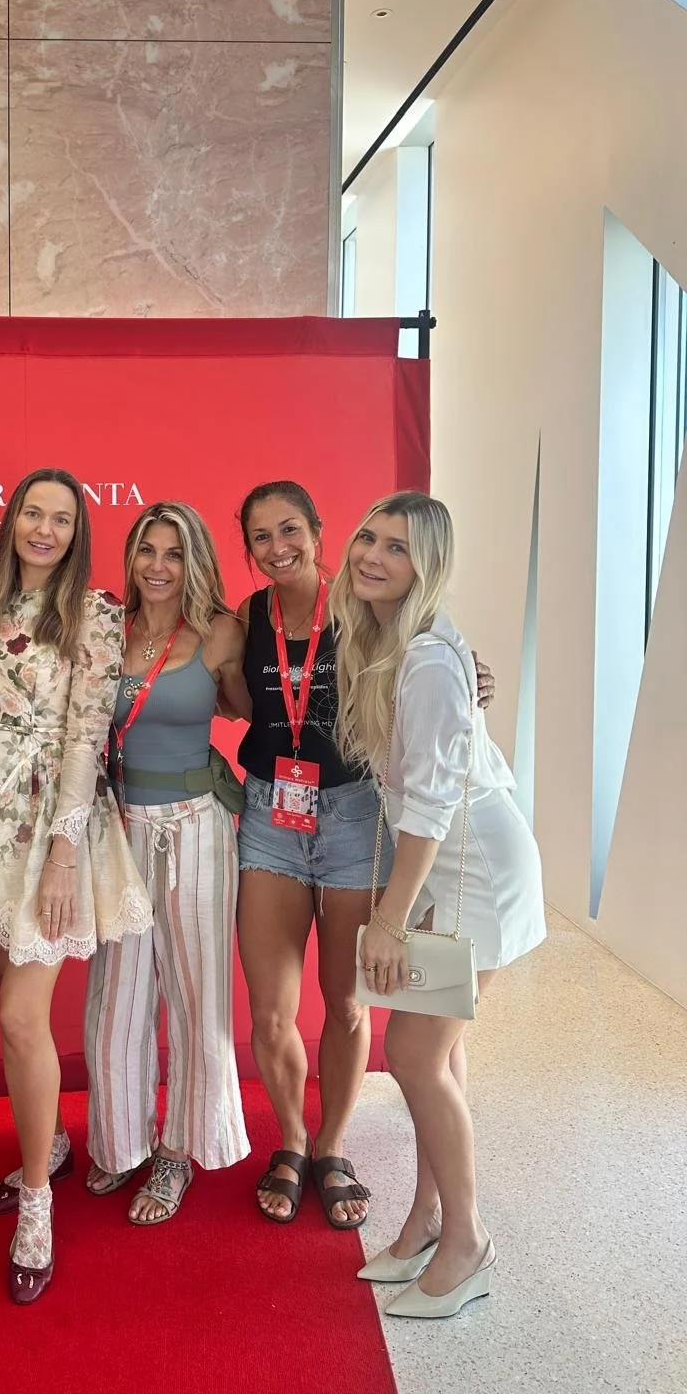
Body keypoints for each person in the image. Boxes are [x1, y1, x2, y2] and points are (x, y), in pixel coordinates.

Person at [233, 481, 494, 1231]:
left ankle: (332, 1145)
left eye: (291, 529)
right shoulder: (245, 618)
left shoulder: (359, 609)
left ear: (320, 532)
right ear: (247, 548)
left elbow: (428, 663)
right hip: (271, 817)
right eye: (260, 536)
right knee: (272, 1011)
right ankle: (291, 1139)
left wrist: (472, 675)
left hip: (354, 817)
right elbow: (216, 686)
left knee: (346, 1003)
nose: (278, 547)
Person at [331, 491, 544, 1318]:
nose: (374, 556)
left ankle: (468, 1241)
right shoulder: (397, 641)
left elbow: (427, 804)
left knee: (415, 1054)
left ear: (428, 566)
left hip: (470, 866)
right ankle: (427, 1217)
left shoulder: (423, 657)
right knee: (440, 1053)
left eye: (399, 548)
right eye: (369, 538)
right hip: (446, 863)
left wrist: (390, 920)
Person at [0, 467, 152, 1304]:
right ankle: (54, 1146)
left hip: (51, 825)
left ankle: (37, 1202)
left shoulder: (94, 613)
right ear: (12, 520)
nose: (44, 529)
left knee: (20, 1018)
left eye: (61, 519)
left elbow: (86, 736)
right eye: (33, 512)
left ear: (77, 533)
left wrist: (65, 853)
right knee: (9, 998)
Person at [82, 502, 251, 1224]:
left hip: (196, 829)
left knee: (195, 995)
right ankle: (120, 1141)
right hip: (118, 830)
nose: (158, 566)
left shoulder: (220, 632)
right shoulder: (105, 627)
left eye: (174, 553)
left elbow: (258, 707)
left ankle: (179, 1150)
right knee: (115, 998)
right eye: (147, 551)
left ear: (195, 562)